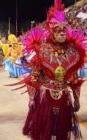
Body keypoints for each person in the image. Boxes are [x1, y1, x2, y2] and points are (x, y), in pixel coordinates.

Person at [20, 0, 86, 139]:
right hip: (46, 98)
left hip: (64, 98)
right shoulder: (42, 51)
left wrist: (77, 99)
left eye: (64, 29)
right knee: (45, 130)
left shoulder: (73, 53)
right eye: (58, 30)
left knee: (62, 131)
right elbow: (34, 76)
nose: (62, 33)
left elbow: (74, 78)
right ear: (52, 32)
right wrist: (32, 98)